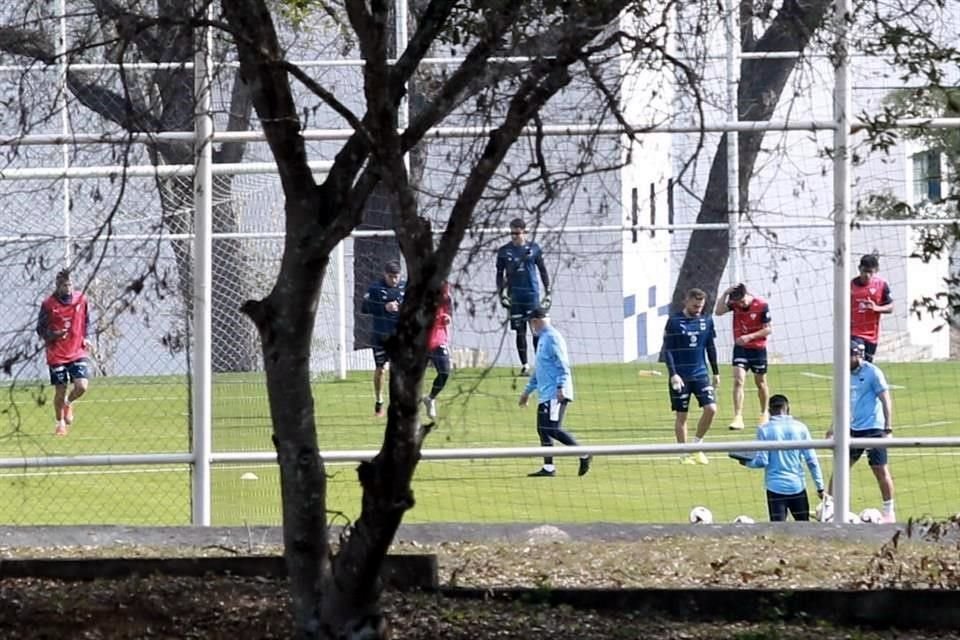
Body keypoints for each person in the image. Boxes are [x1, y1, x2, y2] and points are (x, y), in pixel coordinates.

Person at [826, 339, 896, 523]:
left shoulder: (873, 373)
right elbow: (843, 403)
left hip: (874, 429)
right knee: (840, 467)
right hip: (853, 428)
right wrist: (833, 427)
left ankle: (889, 511)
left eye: (847, 355)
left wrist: (888, 428)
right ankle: (829, 507)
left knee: (879, 469)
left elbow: (885, 400)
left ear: (857, 354)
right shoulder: (844, 373)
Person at [518, 307, 591, 477]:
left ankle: (584, 453)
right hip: (546, 393)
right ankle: (549, 468)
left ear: (535, 321)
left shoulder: (552, 338)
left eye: (531, 323)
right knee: (543, 430)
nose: (531, 327)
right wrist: (527, 392)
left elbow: (562, 364)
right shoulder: (542, 339)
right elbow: (540, 370)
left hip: (555, 393)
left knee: (552, 428)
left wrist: (561, 387)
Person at [738, 394, 825, 522]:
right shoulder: (800, 427)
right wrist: (820, 487)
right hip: (797, 487)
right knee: (804, 528)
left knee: (777, 530)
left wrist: (746, 462)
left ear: (769, 411)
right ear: (788, 409)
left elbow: (762, 461)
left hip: (775, 488)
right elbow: (812, 461)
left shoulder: (764, 430)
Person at [660, 288, 720, 465]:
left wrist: (715, 372)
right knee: (682, 416)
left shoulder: (707, 320)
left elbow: (710, 347)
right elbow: (668, 350)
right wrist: (673, 374)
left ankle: (697, 445)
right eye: (695, 306)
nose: (698, 309)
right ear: (686, 301)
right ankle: (684, 453)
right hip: (681, 377)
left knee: (711, 409)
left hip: (701, 374)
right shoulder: (674, 321)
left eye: (700, 306)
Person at [36, 269, 93, 437]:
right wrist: (54, 335)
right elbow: (40, 329)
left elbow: (86, 320)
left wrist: (86, 338)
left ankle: (68, 403)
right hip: (57, 353)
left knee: (82, 386)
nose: (68, 288)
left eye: (70, 284)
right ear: (58, 286)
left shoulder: (81, 299)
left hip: (77, 350)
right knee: (60, 389)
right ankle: (60, 423)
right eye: (64, 285)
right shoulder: (48, 304)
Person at [496, 218, 551, 376]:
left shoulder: (534, 248)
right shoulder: (504, 251)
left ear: (524, 232)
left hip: (532, 295)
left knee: (536, 331)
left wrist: (548, 290)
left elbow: (542, 270)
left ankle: (539, 364)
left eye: (517, 233)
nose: (514, 236)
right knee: (520, 331)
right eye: (511, 233)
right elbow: (499, 274)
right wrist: (501, 293)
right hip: (515, 297)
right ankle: (525, 365)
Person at [715, 283, 772, 431]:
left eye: (741, 301)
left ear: (746, 294)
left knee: (760, 382)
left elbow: (768, 329)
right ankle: (738, 417)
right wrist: (725, 294)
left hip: (758, 350)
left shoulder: (761, 305)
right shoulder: (735, 305)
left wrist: (749, 337)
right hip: (741, 349)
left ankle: (764, 413)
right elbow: (718, 311)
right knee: (738, 380)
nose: (740, 304)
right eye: (737, 302)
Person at [361, 260, 405, 417]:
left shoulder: (404, 287)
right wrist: (383, 308)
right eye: (391, 276)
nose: (394, 280)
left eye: (396, 276)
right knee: (381, 370)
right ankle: (379, 400)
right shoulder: (375, 288)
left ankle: (397, 404)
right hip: (380, 336)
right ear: (385, 275)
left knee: (399, 371)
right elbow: (364, 307)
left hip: (399, 338)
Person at [850, 253, 893, 362]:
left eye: (870, 272)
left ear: (876, 271)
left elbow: (891, 307)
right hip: (854, 333)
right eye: (865, 271)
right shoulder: (850, 286)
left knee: (866, 366)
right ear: (859, 268)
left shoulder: (881, 285)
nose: (867, 275)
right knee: (856, 361)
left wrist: (877, 308)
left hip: (871, 336)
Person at [421, 281, 452, 420]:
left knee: (445, 372)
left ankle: (430, 398)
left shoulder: (445, 294)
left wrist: (447, 318)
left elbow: (448, 311)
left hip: (438, 338)